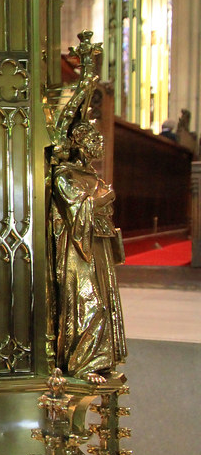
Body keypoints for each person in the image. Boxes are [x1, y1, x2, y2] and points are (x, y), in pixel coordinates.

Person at [51, 120, 127, 383]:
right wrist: (105, 197)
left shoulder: (93, 177)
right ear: (78, 144)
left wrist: (102, 199)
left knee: (104, 299)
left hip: (99, 244)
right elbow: (79, 211)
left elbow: (98, 209)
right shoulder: (65, 176)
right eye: (93, 140)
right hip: (78, 249)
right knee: (89, 301)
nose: (99, 144)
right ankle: (83, 362)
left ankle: (101, 359)